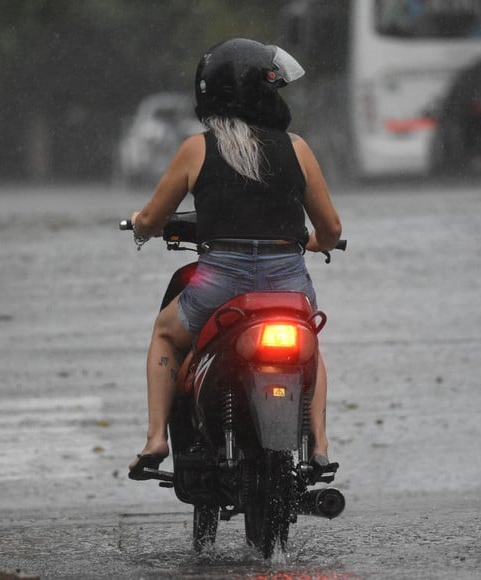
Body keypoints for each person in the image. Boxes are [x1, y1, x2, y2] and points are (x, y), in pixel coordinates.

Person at [127, 38, 342, 479]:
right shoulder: (297, 148)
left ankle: (155, 439)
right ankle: (319, 444)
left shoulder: (196, 149)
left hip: (218, 287)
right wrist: (317, 241)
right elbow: (332, 229)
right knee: (309, 347)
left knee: (166, 336)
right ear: (264, 94)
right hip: (287, 285)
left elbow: (152, 217)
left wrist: (141, 225)